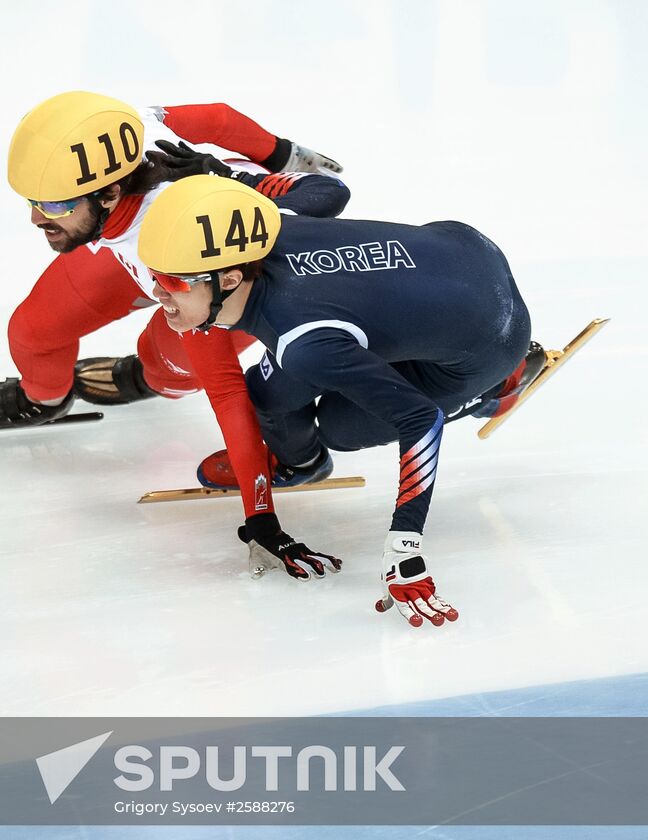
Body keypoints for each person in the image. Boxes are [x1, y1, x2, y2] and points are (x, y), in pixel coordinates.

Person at [0, 92, 350, 550]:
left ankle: (153, 378)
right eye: (33, 201)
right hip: (143, 236)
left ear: (110, 191)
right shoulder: (125, 128)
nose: (36, 218)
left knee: (166, 365)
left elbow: (226, 390)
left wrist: (260, 514)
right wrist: (281, 153)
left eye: (54, 206)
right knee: (33, 330)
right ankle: (46, 397)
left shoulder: (176, 254)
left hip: (216, 275)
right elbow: (216, 117)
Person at [137, 175, 538, 627]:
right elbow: (327, 190)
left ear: (229, 279)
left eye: (171, 281)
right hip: (460, 248)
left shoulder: (304, 342)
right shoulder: (267, 224)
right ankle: (302, 460)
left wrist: (404, 547)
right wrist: (241, 178)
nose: (157, 293)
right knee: (268, 393)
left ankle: (493, 389)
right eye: (154, 277)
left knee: (341, 429)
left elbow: (420, 418)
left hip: (490, 340)